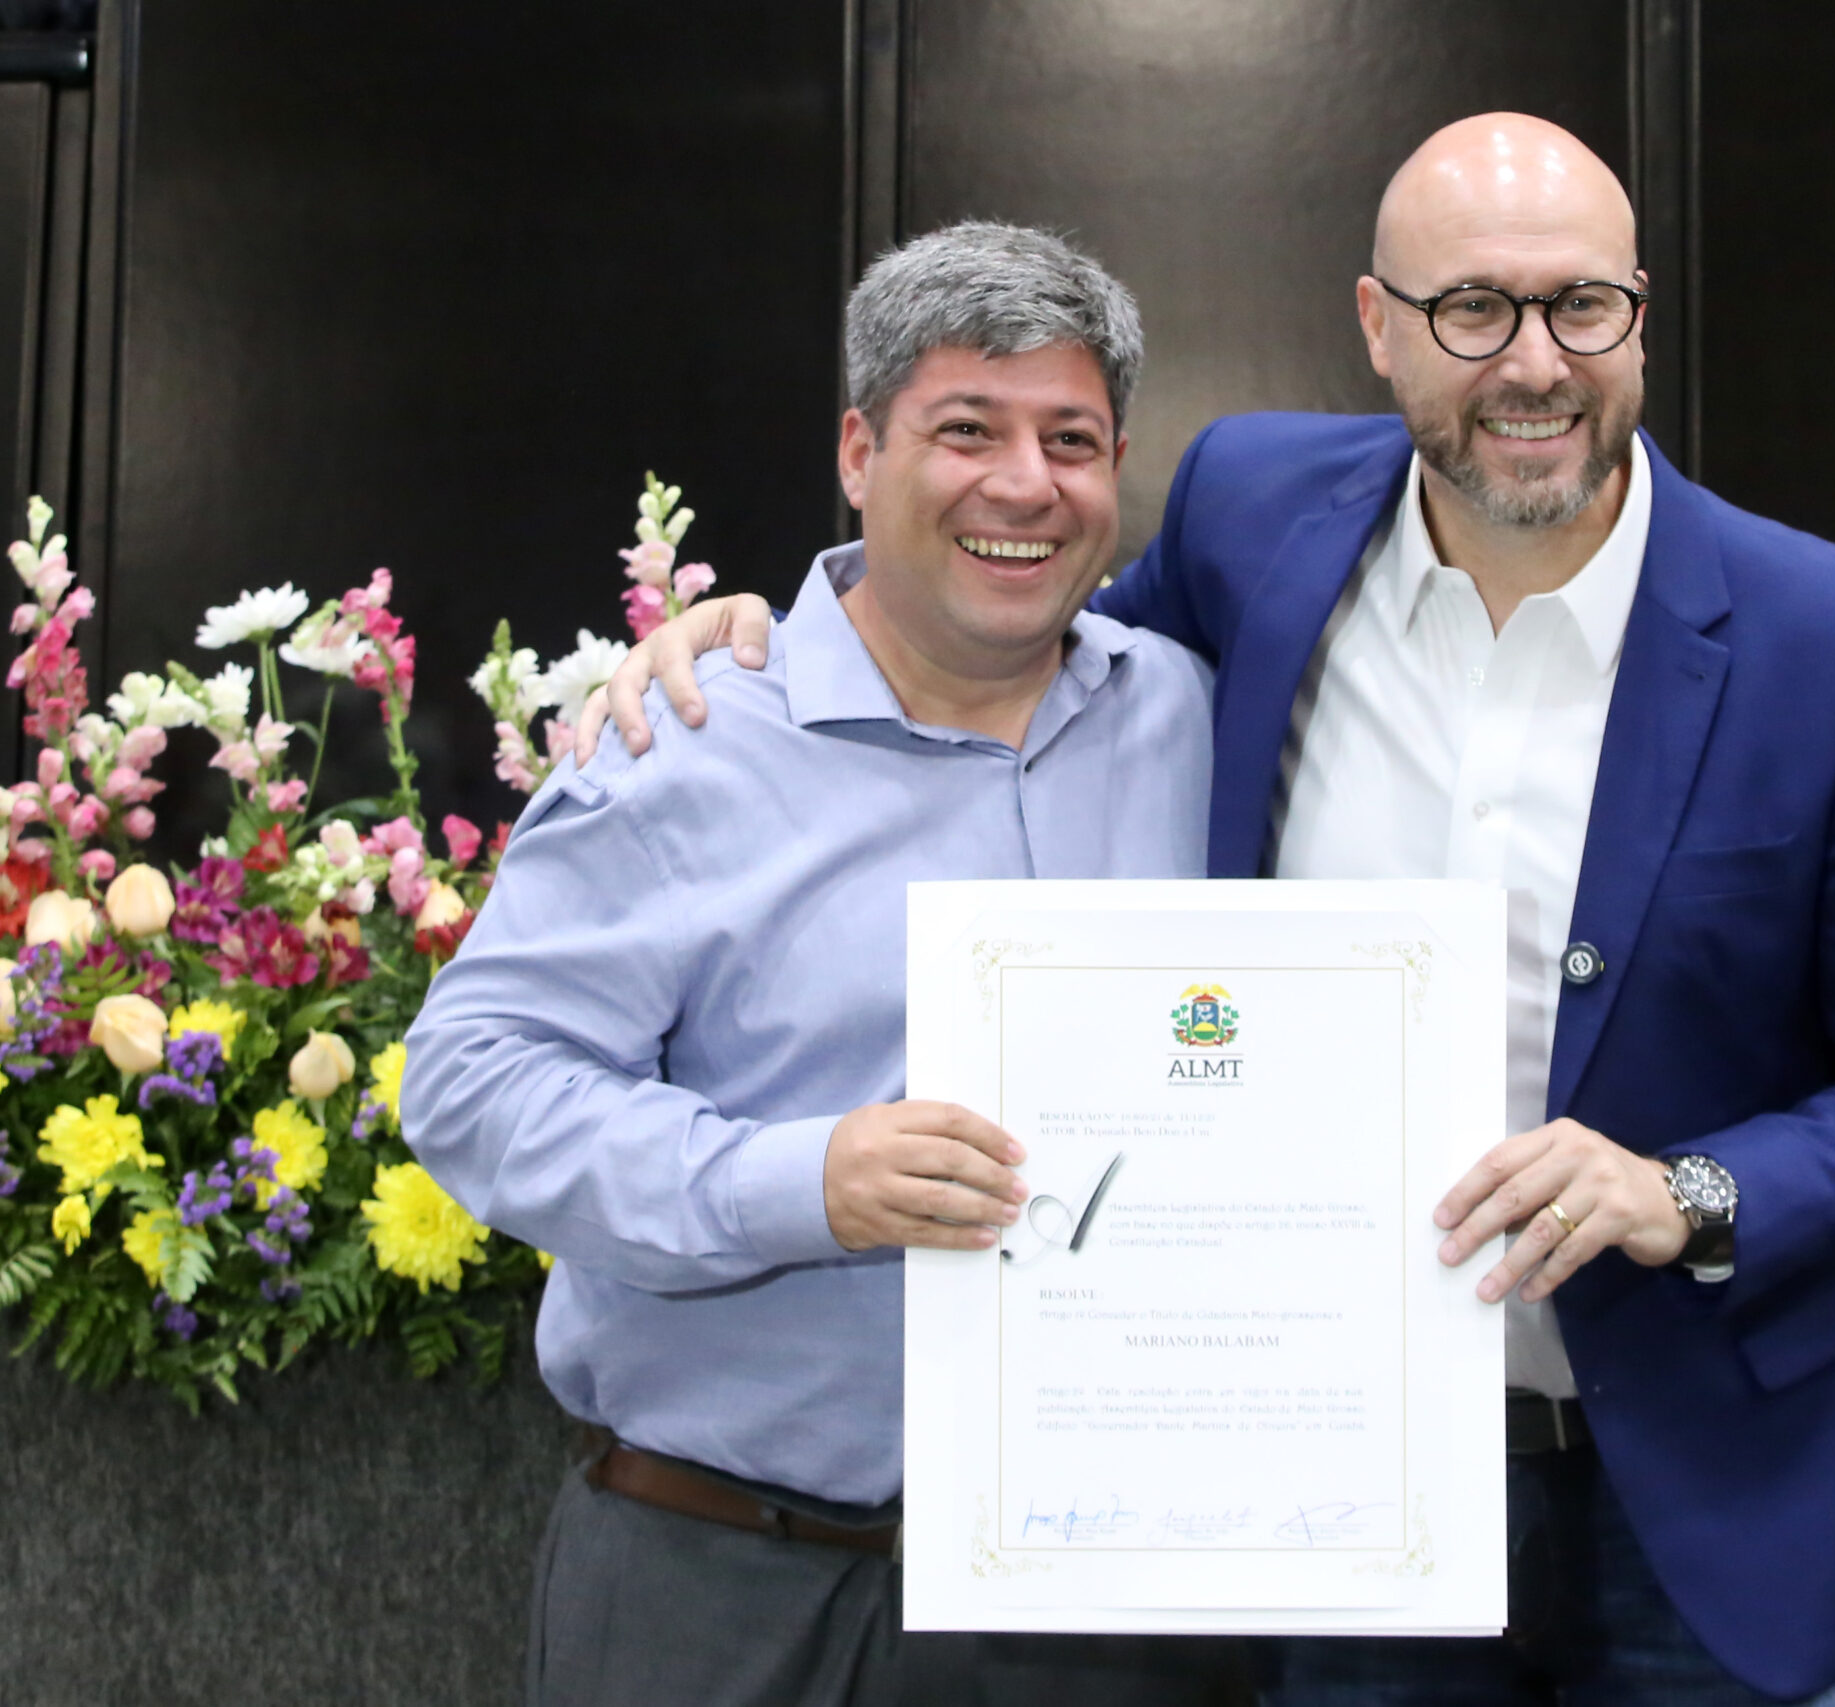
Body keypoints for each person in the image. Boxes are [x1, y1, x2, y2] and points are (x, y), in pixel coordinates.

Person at [594, 116, 1835, 1706]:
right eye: (1471, 309)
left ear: (1639, 318)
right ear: (1377, 325)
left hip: (1709, 1499)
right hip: (1324, 1496)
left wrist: (1688, 1190)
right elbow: (1019, 636)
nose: (1534, 363)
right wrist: (785, 630)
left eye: (1581, 306)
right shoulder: (1253, 514)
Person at [403, 222, 1226, 1707]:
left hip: (1112, 1604)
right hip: (727, 1588)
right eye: (965, 430)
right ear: (860, 451)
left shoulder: (1192, 716)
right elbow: (472, 1085)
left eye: (1070, 439)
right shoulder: (682, 739)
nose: (1024, 484)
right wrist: (799, 1182)